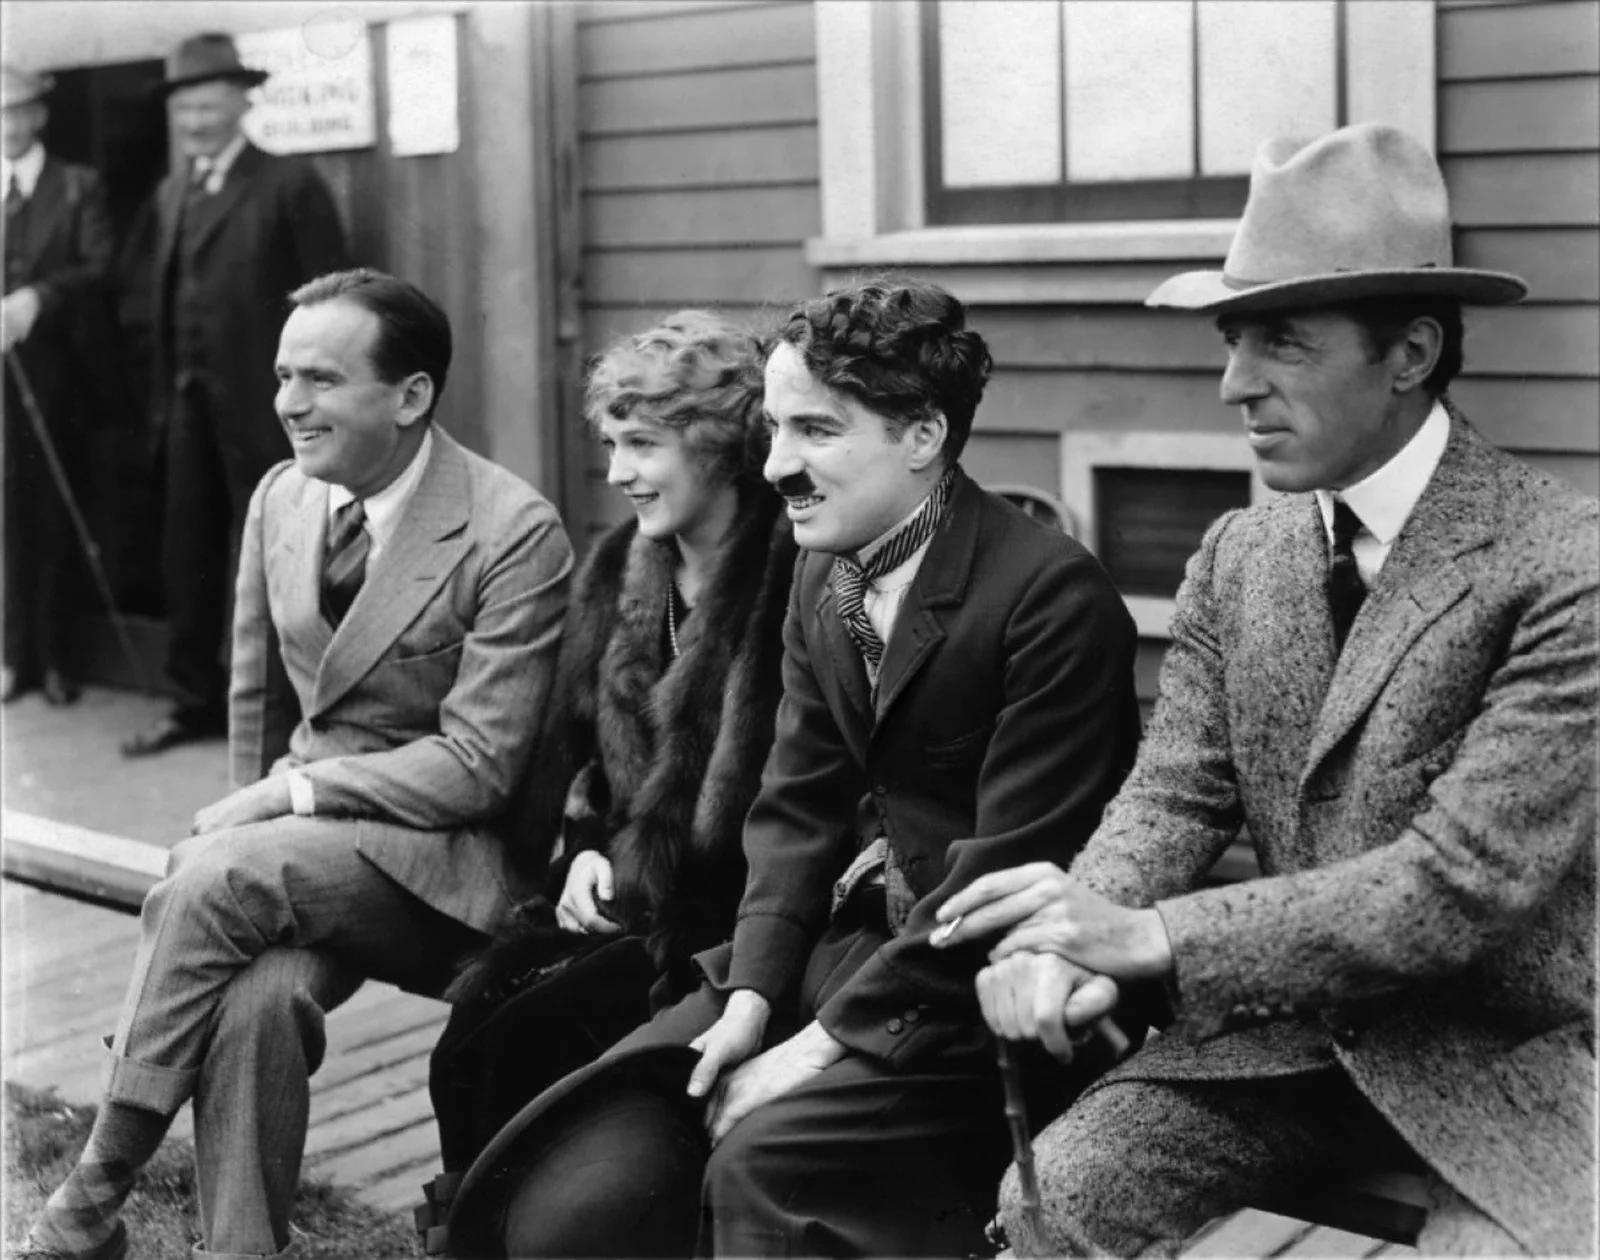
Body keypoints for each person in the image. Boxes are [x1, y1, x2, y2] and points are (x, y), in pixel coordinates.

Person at [934, 123, 1597, 1258]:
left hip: (1504, 1063)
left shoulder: (1563, 564)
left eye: (1282, 343)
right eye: (1234, 340)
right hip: (1282, 1039)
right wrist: (1064, 940)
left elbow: (1453, 888)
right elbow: (1172, 797)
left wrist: (1150, 936)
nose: (1235, 385)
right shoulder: (1240, 554)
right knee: (1055, 1198)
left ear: (1410, 353)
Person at [439, 279, 1145, 1259]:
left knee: (753, 1168)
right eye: (773, 428)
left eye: (815, 430)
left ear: (923, 436)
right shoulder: (824, 573)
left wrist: (816, 1047)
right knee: (582, 1183)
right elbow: (796, 810)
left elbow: (1002, 879)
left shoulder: (1048, 599)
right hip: (830, 955)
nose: (775, 466)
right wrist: (750, 1001)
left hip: (980, 996)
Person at [22, 268, 573, 1260]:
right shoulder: (283, 497)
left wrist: (286, 796)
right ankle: (242, 1249)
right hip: (304, 854)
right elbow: (257, 700)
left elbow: (479, 767)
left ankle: (92, 1193)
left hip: (445, 865)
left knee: (219, 875)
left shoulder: (512, 529)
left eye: (321, 379)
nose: (289, 403)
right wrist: (255, 800)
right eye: (284, 376)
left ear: (410, 396)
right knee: (258, 997)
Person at [421, 310, 797, 1190]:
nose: (618, 472)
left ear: (718, 446)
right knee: (471, 1033)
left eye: (643, 446)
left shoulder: (791, 574)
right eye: (611, 444)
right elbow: (590, 757)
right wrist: (586, 848)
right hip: (625, 900)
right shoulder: (618, 567)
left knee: (531, 1041)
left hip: (733, 925)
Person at [122, 32, 350, 757]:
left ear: (242, 104)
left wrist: (316, 396)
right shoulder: (173, 192)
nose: (196, 122)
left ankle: (298, 714)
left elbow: (335, 305)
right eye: (185, 109)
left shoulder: (288, 183)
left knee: (287, 555)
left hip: (269, 408)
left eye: (209, 106)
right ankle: (193, 699)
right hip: (188, 409)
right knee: (186, 549)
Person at [2, 64, 114, 706]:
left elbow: (100, 267)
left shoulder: (77, 185)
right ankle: (9, 656)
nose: (8, 125)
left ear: (40, 115)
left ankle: (55, 659)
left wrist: (39, 298)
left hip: (58, 378)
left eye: (19, 110)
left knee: (51, 513)